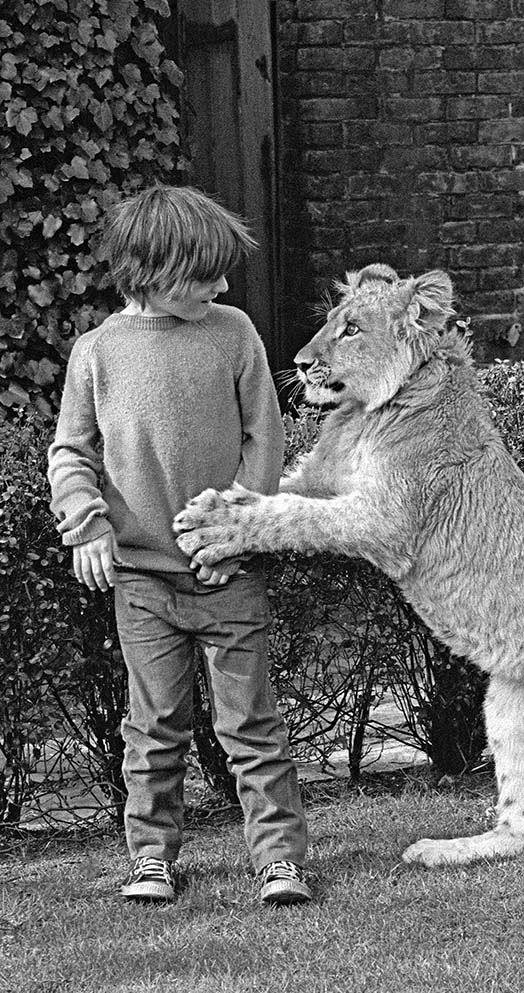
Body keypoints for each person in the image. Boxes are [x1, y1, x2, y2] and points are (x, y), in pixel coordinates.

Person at [47, 185, 311, 906]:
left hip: (230, 573)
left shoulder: (233, 333)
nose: (223, 286)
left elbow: (266, 436)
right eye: (207, 274)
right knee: (155, 729)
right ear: (151, 270)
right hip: (142, 583)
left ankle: (281, 861)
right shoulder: (96, 353)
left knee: (250, 727)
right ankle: (152, 860)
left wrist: (236, 529)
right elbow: (71, 452)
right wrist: (87, 522)